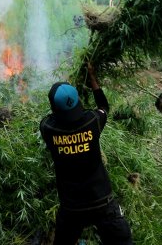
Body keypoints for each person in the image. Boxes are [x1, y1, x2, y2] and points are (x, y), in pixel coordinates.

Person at [40, 63, 133, 245]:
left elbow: (49, 117)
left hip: (72, 206)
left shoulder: (48, 128)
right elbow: (104, 106)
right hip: (101, 201)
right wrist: (92, 79)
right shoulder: (92, 121)